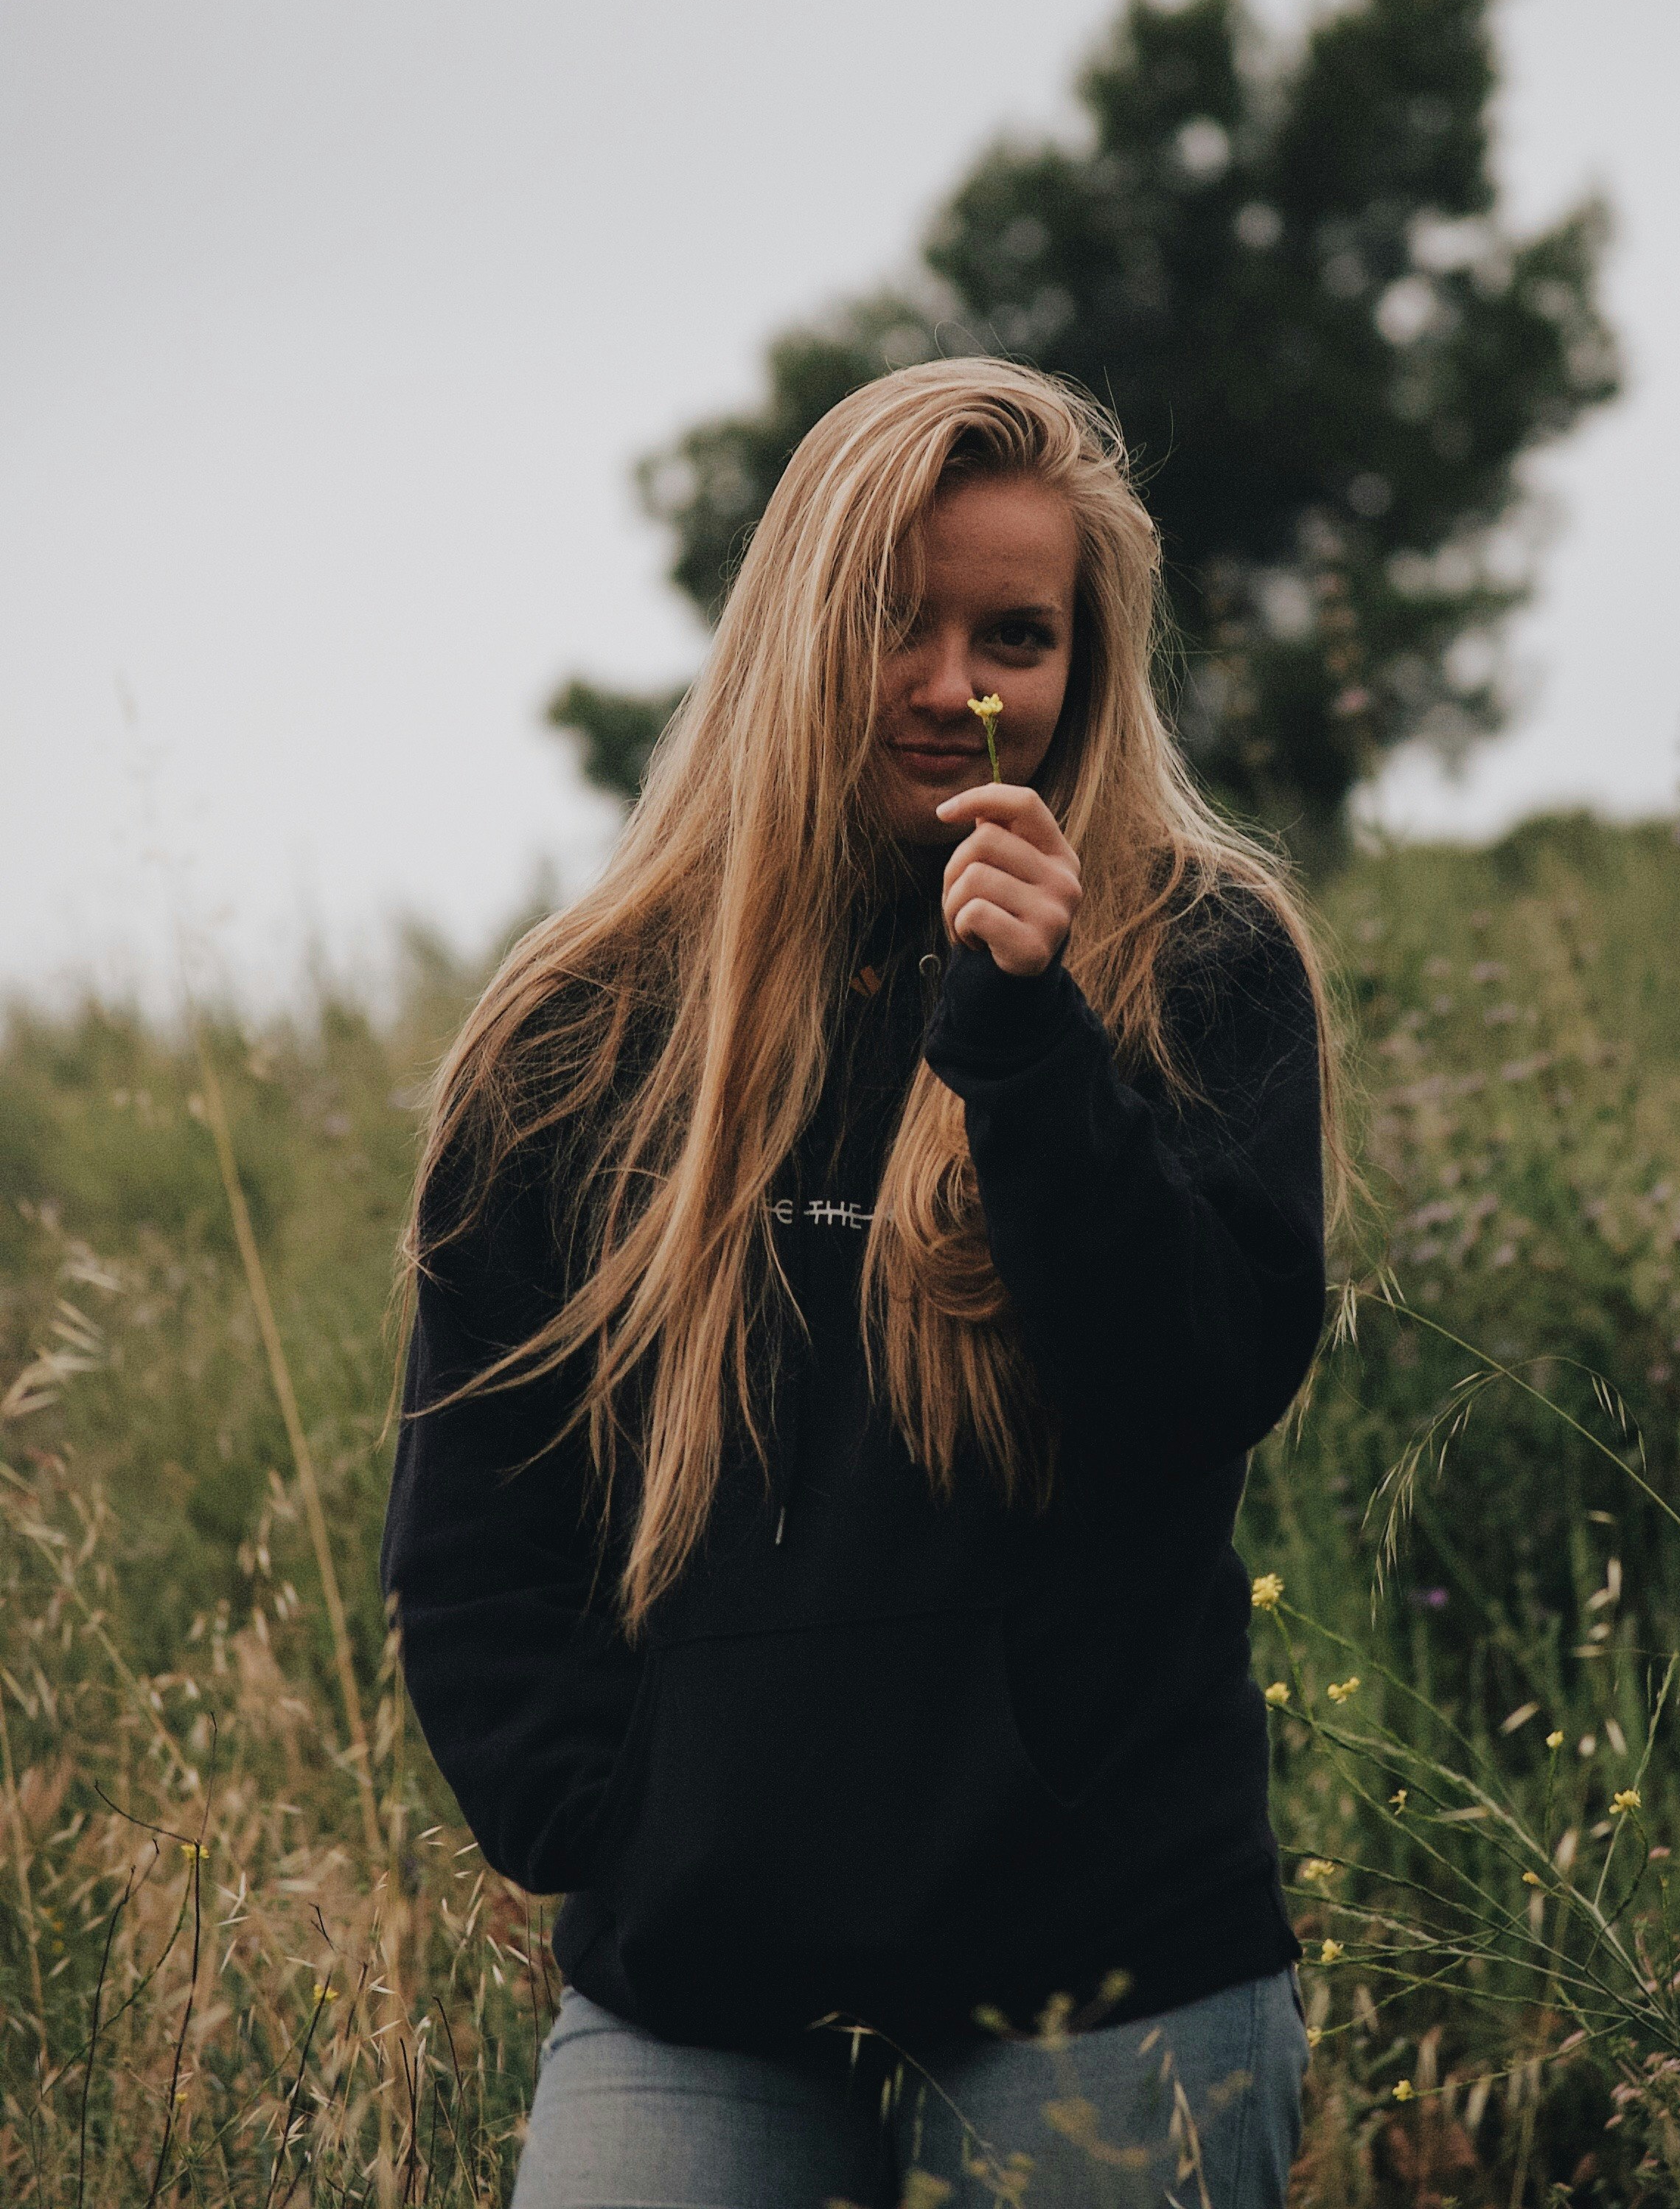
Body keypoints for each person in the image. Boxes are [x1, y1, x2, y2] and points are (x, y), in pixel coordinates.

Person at [382, 360, 1339, 2207]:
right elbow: (475, 1509)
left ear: (1087, 665)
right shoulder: (586, 1024)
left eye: (1019, 632)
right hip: (702, 1988)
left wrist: (1029, 1045)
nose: (957, 682)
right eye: (899, 620)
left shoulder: (1201, 963)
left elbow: (1192, 1389)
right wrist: (623, 1825)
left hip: (1110, 1971)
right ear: (799, 618)